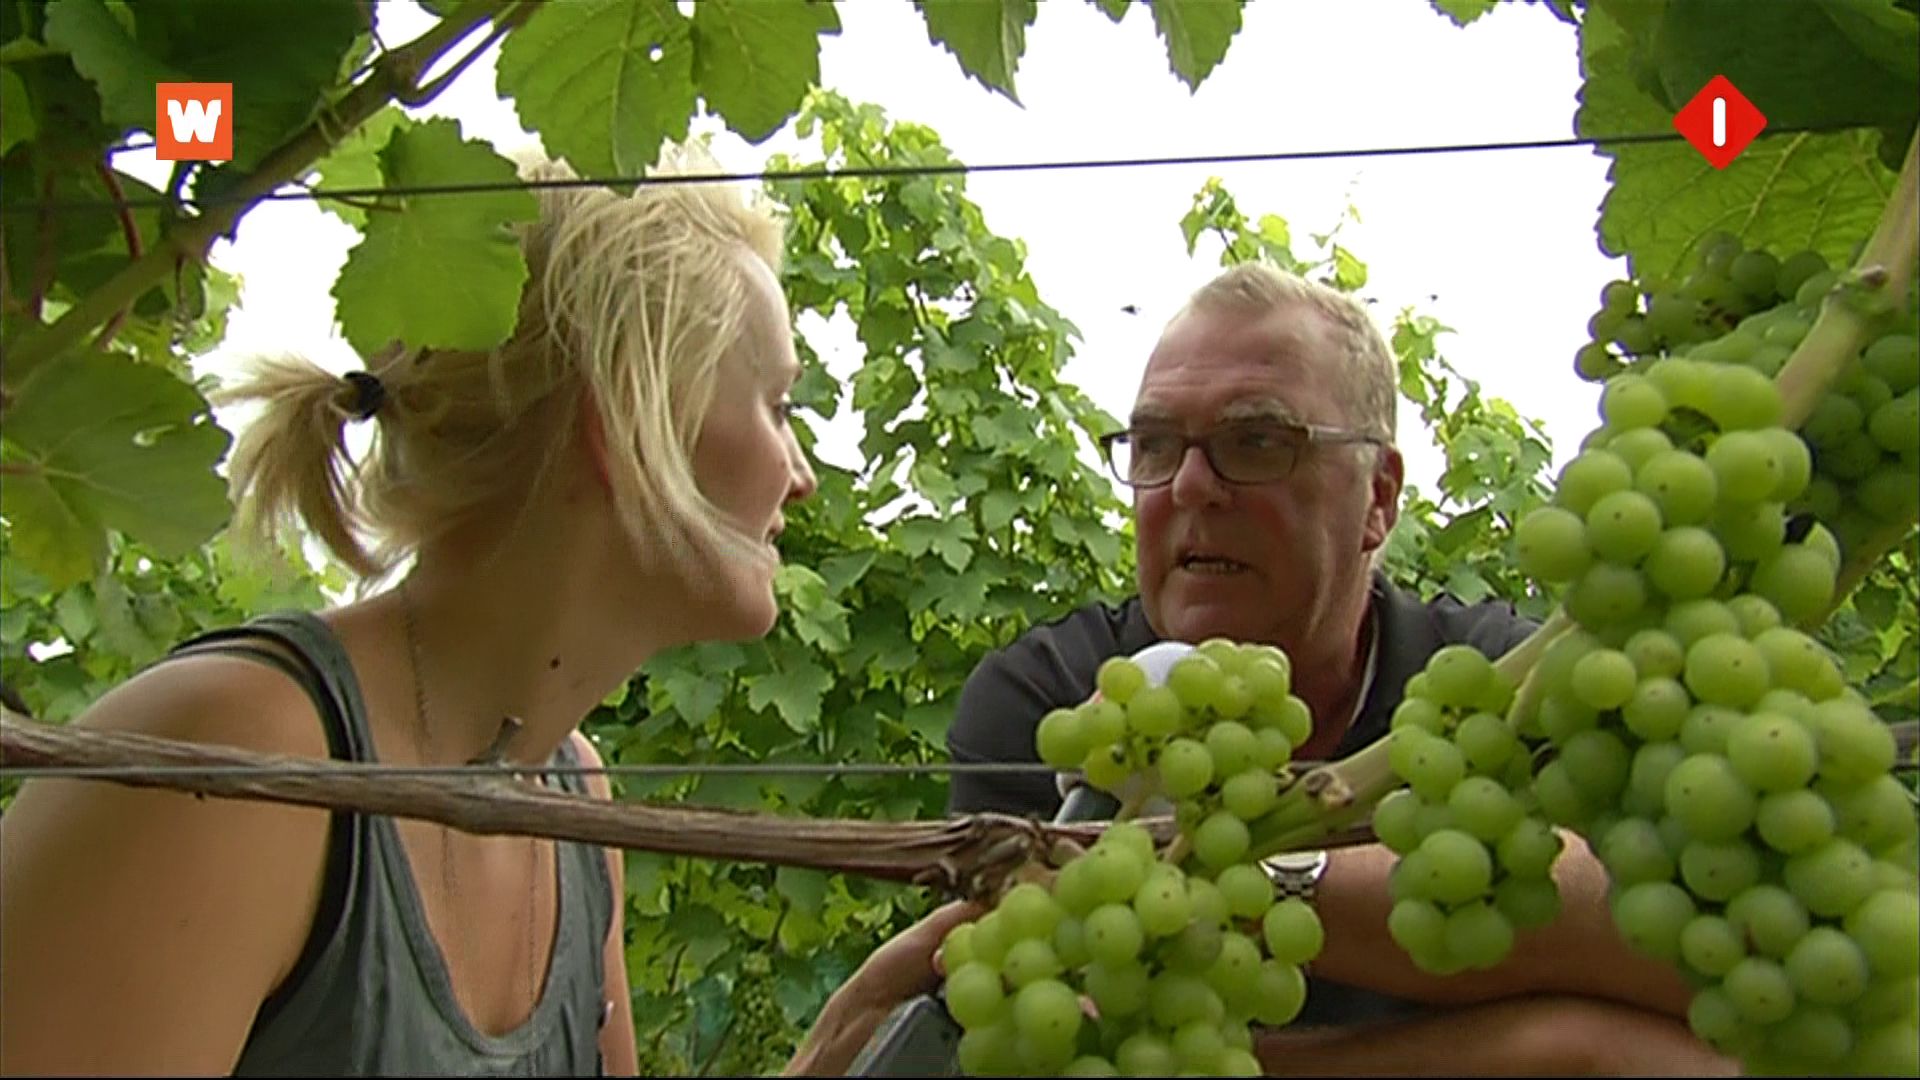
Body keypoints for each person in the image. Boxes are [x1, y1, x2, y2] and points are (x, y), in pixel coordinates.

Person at [0, 145, 968, 1078]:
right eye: (779, 406)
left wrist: (839, 1047)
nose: (800, 477)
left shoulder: (571, 800)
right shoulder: (230, 764)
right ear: (635, 425)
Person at [946, 262, 1739, 1075]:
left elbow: (1699, 957)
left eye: (1256, 442)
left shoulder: (1498, 685)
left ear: (1379, 498)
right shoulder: (1051, 701)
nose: (1188, 486)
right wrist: (1555, 1044)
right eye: (1154, 445)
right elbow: (1065, 1037)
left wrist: (1265, 874)